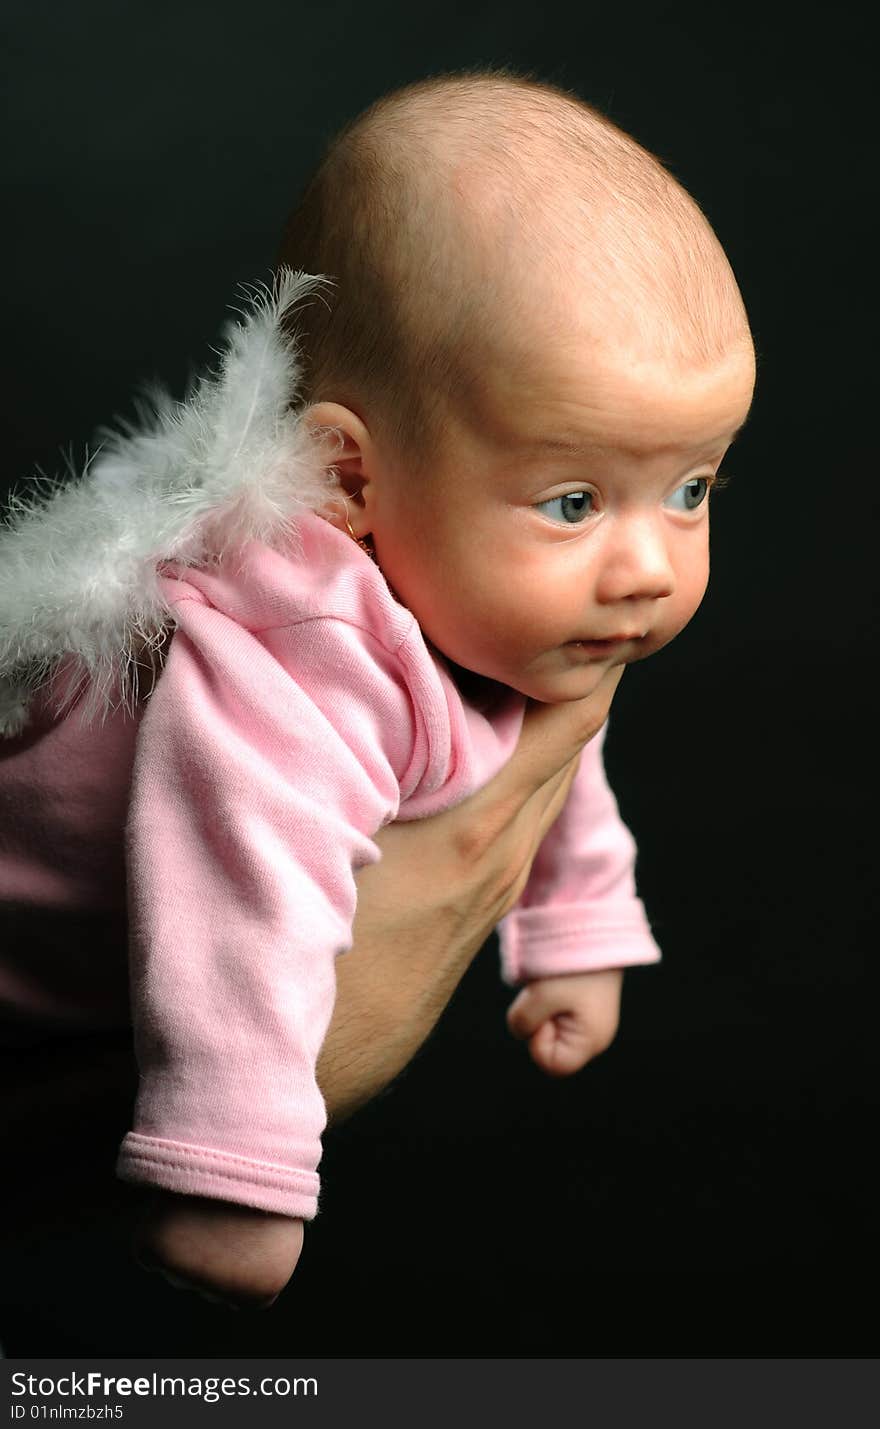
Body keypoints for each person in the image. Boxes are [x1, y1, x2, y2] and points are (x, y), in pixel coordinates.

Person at [0, 67, 755, 1306]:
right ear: (346, 477)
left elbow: (544, 746)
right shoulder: (297, 646)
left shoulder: (485, 607)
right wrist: (235, 1162)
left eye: (692, 489)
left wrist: (576, 927)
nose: (648, 568)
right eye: (572, 502)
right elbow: (240, 887)